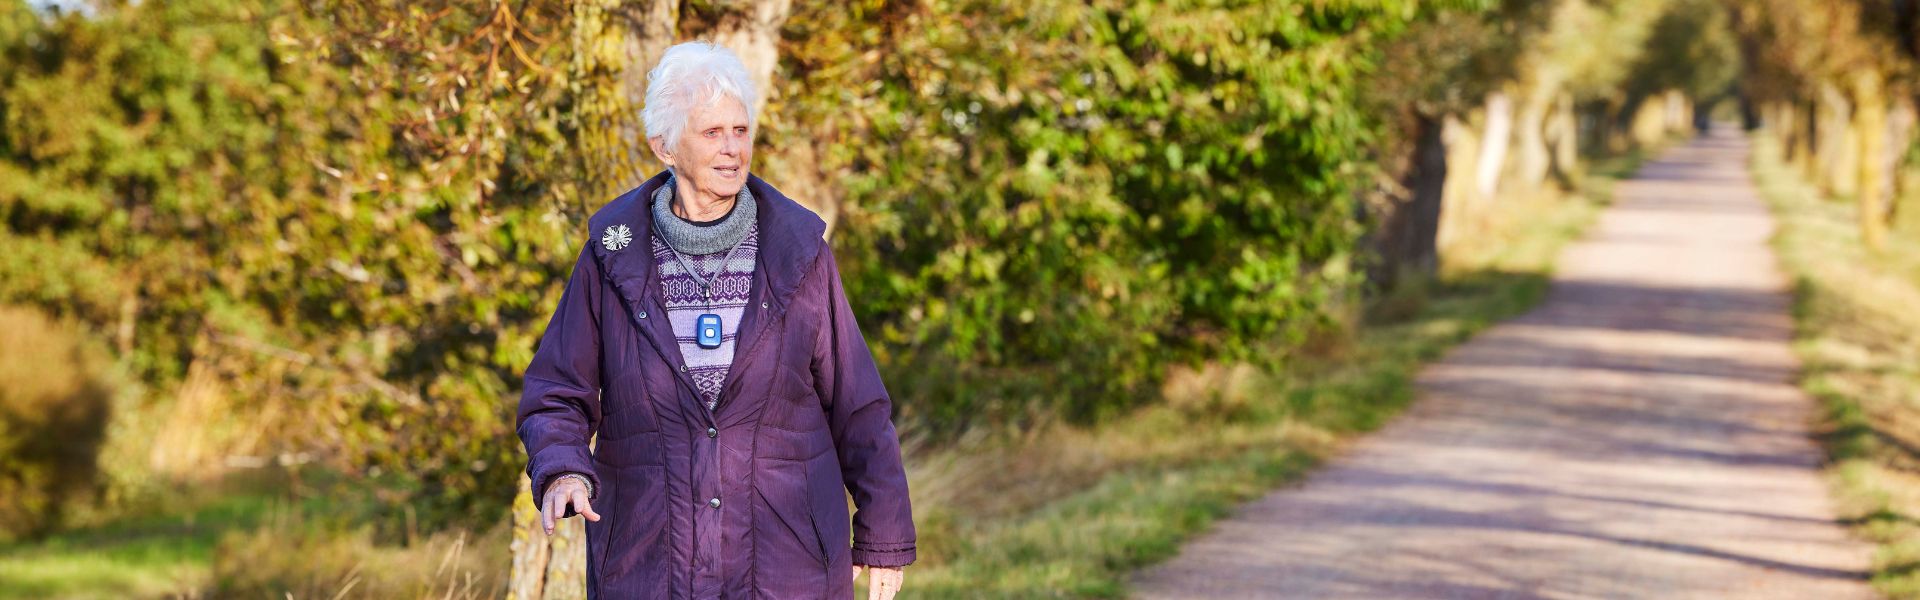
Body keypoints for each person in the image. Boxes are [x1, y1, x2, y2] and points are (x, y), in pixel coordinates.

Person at [517, 41, 915, 599]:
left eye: (741, 131)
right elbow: (557, 388)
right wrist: (562, 468)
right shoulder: (611, 258)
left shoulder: (798, 254)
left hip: (789, 563)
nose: (732, 150)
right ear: (665, 147)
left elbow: (859, 404)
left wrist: (883, 537)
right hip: (648, 563)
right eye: (712, 134)